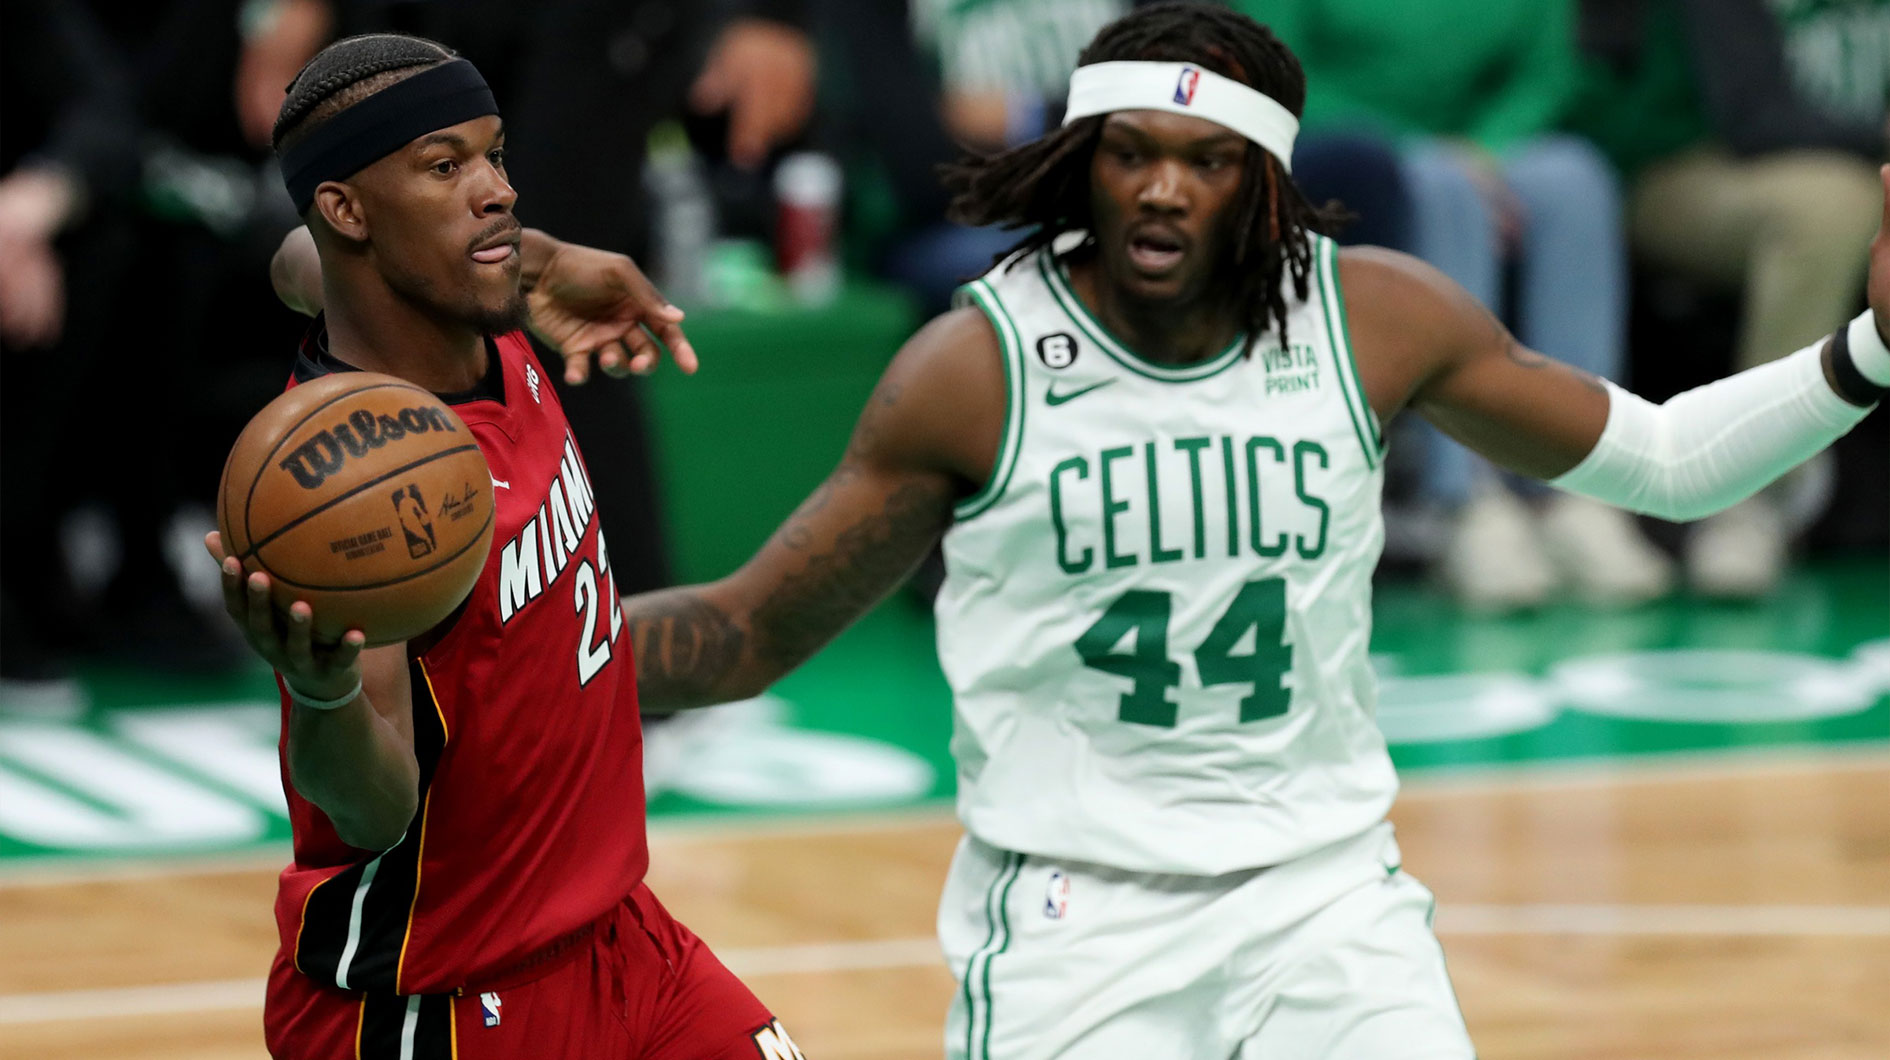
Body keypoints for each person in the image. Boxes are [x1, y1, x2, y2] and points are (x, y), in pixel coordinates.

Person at [617, 4, 1884, 1056]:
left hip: (1325, 904)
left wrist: (1872, 347)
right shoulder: (980, 369)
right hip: (1077, 919)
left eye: (1207, 159)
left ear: (1265, 183)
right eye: (1131, 152)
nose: (1163, 190)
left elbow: (1665, 461)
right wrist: (501, 647)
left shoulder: (1376, 321)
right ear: (1083, 162)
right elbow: (747, 632)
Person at [222, 33, 802, 1059]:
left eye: (493, 155)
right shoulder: (361, 486)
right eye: (445, 167)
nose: (494, 190)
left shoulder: (474, 313)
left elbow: (295, 260)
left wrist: (537, 260)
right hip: (440, 1003)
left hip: (622, 939)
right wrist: (321, 692)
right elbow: (371, 806)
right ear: (351, 210)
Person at [1572, 0, 1888, 596]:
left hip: (1848, 163)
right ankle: (1756, 492)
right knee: (1830, 208)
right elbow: (1756, 118)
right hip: (1687, 165)